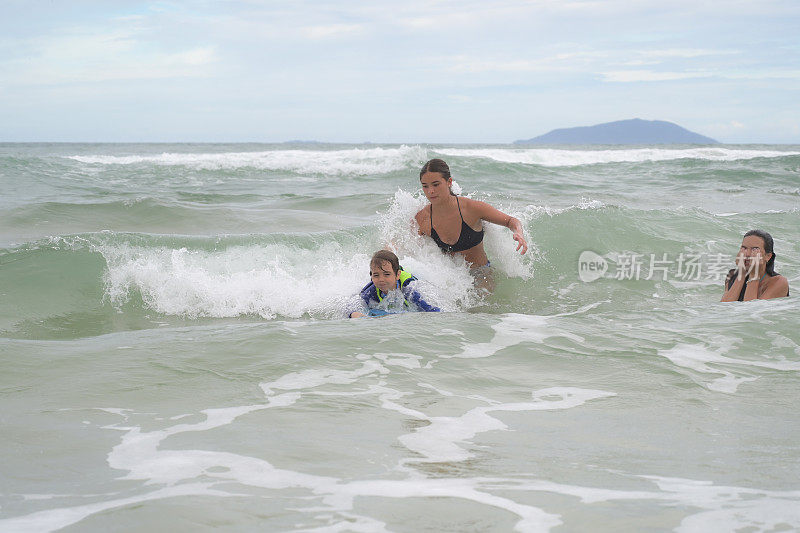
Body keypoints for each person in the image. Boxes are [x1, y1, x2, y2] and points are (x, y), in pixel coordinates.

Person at [413, 159, 527, 283]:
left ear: (449, 182)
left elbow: (511, 221)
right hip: (448, 279)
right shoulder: (422, 218)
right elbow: (414, 249)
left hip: (481, 274)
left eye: (436, 184)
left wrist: (519, 233)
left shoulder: (471, 209)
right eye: (425, 186)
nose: (430, 191)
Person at [349, 250, 441, 318]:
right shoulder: (370, 292)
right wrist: (354, 314)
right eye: (376, 275)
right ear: (371, 276)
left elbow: (431, 311)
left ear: (397, 275)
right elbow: (353, 306)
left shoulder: (408, 291)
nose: (381, 279)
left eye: (387, 274)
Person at [721, 229, 789, 302]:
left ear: (768, 256)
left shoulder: (779, 282)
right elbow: (724, 308)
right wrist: (742, 273)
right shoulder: (732, 275)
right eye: (744, 248)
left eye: (755, 249)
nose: (747, 254)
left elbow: (751, 311)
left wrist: (754, 274)